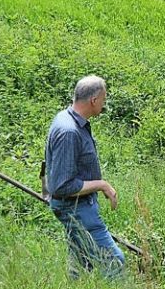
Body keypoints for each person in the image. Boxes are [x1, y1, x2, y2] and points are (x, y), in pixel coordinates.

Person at [45, 76, 124, 278]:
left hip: (78, 205)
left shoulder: (69, 119)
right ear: (94, 100)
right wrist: (102, 185)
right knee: (114, 262)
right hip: (76, 208)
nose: (104, 104)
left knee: (80, 266)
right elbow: (62, 186)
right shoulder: (69, 131)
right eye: (104, 99)